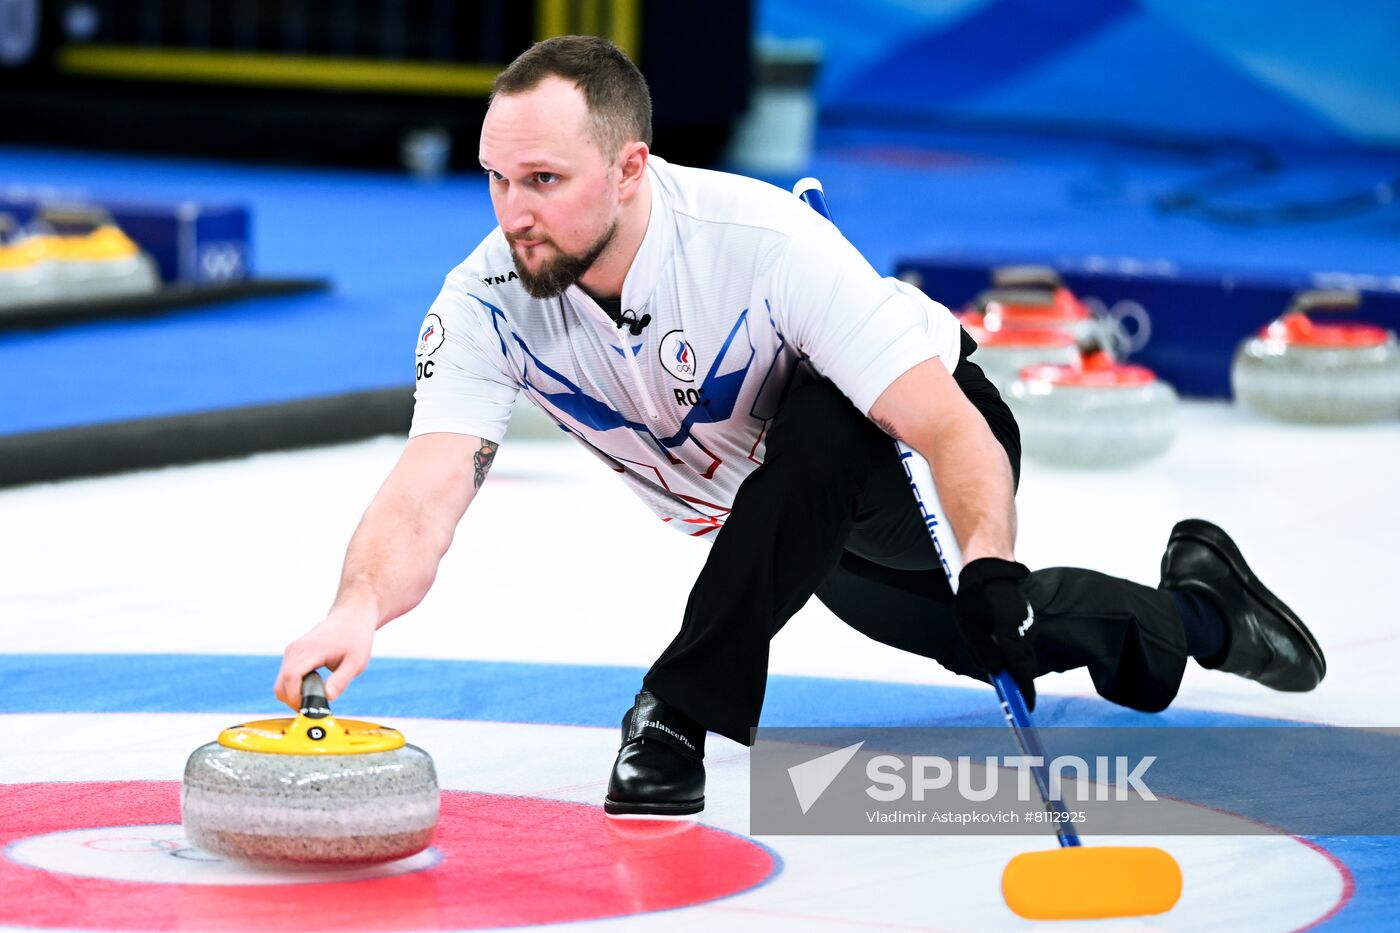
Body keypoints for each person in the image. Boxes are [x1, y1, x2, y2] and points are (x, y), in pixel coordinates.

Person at [275, 35, 1325, 817]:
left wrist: (987, 554)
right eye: (497, 180)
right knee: (993, 641)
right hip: (783, 521)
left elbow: (948, 432)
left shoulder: (761, 242)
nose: (513, 213)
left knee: (824, 422)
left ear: (631, 168)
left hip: (911, 436)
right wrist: (357, 608)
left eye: (544, 180)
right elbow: (429, 482)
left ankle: (676, 715)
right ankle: (1200, 611)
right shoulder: (485, 300)